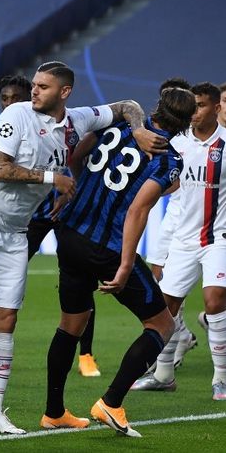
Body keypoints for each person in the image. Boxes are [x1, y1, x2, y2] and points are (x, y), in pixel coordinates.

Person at [0, 61, 167, 435]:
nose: (34, 90)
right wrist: (53, 179)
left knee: (7, 318)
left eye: (44, 86)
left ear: (65, 92)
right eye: (35, 84)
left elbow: (125, 105)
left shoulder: (77, 119)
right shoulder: (17, 114)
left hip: (14, 230)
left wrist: (139, 130)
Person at [40, 86, 194, 437]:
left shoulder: (119, 126)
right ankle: (111, 403)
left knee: (70, 325)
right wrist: (125, 266)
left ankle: (53, 412)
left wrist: (72, 189)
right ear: (185, 122)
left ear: (158, 106)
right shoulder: (168, 158)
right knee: (162, 326)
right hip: (106, 246)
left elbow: (76, 155)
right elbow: (139, 210)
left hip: (70, 233)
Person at [0, 75, 102, 378]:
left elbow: (74, 155)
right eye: (5, 99)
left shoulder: (62, 127)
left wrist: (72, 187)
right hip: (25, 218)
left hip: (63, 211)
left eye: (17, 98)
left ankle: (86, 354)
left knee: (78, 277)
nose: (11, 104)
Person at [132, 82, 226, 400]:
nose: (194, 112)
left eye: (200, 106)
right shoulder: (179, 143)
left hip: (219, 238)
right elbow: (170, 185)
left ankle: (221, 378)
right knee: (166, 307)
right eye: (193, 106)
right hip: (183, 240)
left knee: (214, 300)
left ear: (216, 108)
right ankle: (164, 375)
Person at [145, 77, 199, 371]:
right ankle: (181, 337)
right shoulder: (170, 139)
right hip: (172, 225)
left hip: (196, 228)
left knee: (169, 295)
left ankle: (166, 354)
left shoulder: (201, 140)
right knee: (162, 292)